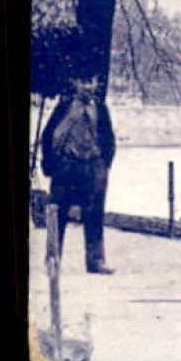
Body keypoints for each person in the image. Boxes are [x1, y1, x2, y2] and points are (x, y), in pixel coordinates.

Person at [40, 74, 117, 274]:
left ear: (96, 83)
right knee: (58, 213)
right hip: (66, 167)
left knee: (94, 214)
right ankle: (53, 259)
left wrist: (104, 164)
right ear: (74, 83)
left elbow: (108, 138)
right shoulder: (64, 107)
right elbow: (49, 135)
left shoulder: (100, 108)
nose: (87, 86)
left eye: (91, 81)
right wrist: (49, 165)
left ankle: (96, 261)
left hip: (92, 167)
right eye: (83, 81)